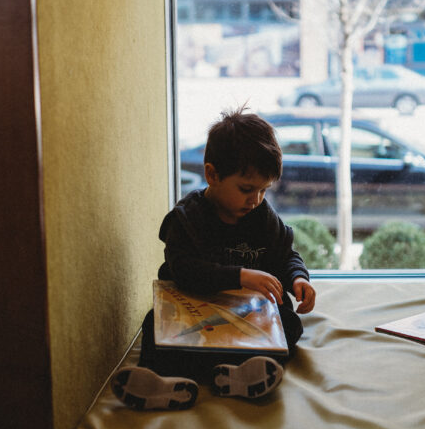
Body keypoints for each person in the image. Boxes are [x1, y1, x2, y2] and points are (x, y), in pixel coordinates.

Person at [111, 108, 316, 411]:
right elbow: (183, 270)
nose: (256, 200)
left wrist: (298, 278)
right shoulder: (187, 218)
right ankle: (159, 381)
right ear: (212, 175)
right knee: (153, 324)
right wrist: (240, 276)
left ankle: (235, 376)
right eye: (247, 189)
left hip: (247, 318)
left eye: (263, 190)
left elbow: (285, 254)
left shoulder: (261, 215)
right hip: (194, 313)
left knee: (290, 326)